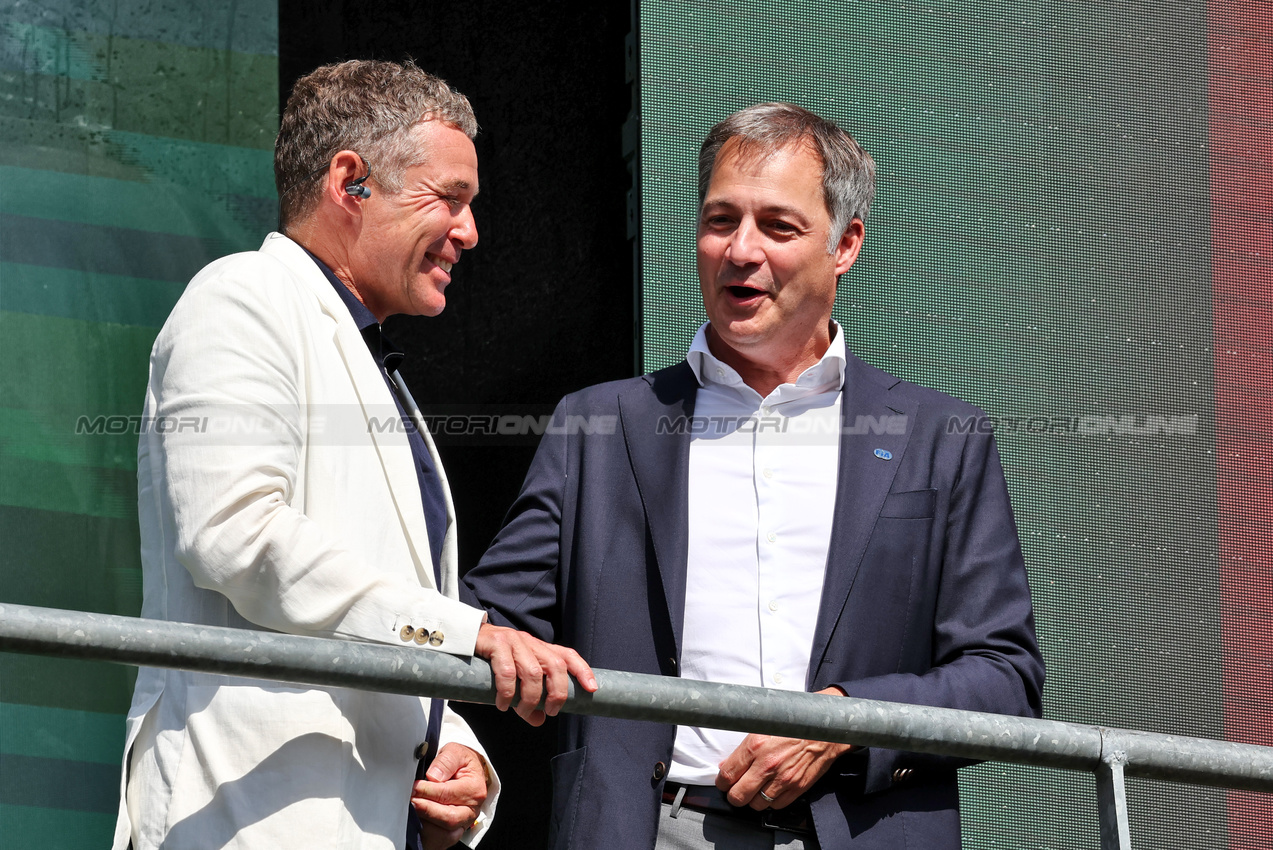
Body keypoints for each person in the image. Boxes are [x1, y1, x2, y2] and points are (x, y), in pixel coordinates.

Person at [462, 102, 1045, 849]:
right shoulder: (598, 427)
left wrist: (843, 722)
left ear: (845, 245)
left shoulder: (939, 437)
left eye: (777, 226)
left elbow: (1003, 678)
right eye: (719, 220)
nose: (740, 250)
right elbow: (488, 625)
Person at [112, 60, 595, 850]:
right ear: (351, 180)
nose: (469, 232)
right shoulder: (243, 296)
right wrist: (468, 635)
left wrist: (456, 758)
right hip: (245, 822)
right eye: (450, 198)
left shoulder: (366, 357)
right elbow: (234, 534)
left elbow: (384, 617)